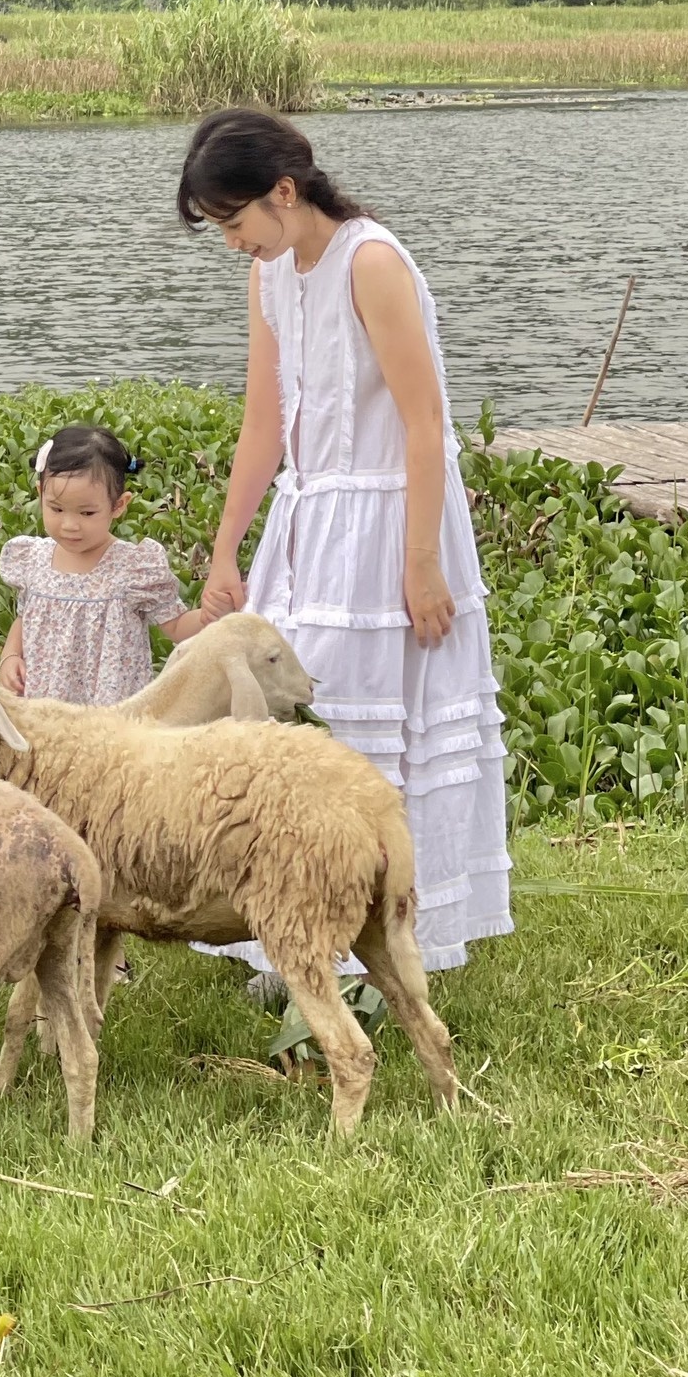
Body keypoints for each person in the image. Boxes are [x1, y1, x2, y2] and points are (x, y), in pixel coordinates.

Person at [181, 106, 511, 977]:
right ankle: (301, 936)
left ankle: (389, 941)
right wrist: (226, 551)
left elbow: (425, 421)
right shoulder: (271, 277)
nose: (232, 243)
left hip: (389, 520)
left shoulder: (371, 261)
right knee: (295, 722)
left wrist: (423, 562)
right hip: (308, 522)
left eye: (235, 221)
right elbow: (265, 423)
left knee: (377, 723)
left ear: (284, 192)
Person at [0, 424, 208, 703]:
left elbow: (178, 627)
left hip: (110, 719)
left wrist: (211, 615)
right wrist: (10, 656)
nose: (70, 525)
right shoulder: (33, 558)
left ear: (118, 505)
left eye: (87, 512)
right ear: (40, 494)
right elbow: (25, 618)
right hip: (42, 713)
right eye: (56, 509)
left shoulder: (134, 567)